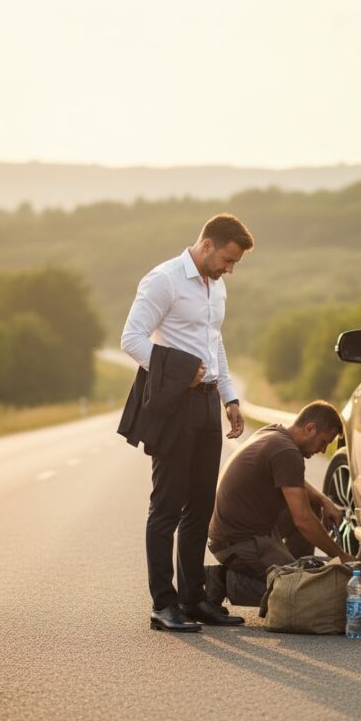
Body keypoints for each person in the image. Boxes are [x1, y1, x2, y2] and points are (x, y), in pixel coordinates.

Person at [120, 213, 254, 632]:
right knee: (166, 507)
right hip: (174, 406)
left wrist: (230, 396)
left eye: (235, 264)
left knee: (200, 505)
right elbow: (132, 338)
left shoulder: (219, 287)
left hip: (208, 404)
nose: (230, 269)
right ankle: (164, 604)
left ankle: (193, 599)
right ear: (209, 244)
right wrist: (179, 371)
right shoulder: (163, 280)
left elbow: (215, 341)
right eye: (228, 259)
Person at [207, 400, 352, 607]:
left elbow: (291, 480)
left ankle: (295, 570)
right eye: (323, 442)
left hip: (250, 532)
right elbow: (302, 520)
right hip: (238, 543)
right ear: (310, 428)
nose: (323, 450)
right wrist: (341, 556)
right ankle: (221, 581)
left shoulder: (276, 434)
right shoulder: (287, 452)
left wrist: (323, 500)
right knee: (304, 597)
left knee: (310, 503)